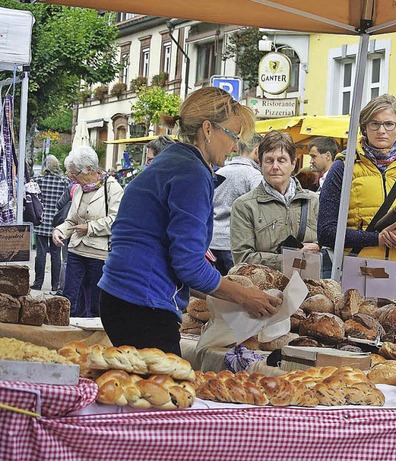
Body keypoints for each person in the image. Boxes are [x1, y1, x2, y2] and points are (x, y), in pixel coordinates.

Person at [98, 87, 281, 356]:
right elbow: (189, 264)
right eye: (233, 136)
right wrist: (245, 296)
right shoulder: (192, 174)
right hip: (143, 304)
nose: (234, 147)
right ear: (208, 129)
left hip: (120, 296)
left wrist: (226, 295)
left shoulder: (170, 160)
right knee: (167, 392)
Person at [317, 94, 396, 277]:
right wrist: (376, 239)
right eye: (374, 123)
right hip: (357, 272)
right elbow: (325, 231)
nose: (381, 130)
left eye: (389, 124)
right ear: (364, 127)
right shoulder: (343, 168)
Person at [231, 130, 319, 270]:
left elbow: (329, 248)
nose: (275, 167)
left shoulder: (313, 201)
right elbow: (242, 258)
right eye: (269, 160)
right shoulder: (244, 206)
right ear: (260, 164)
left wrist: (318, 248)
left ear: (293, 163)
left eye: (282, 160)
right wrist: (289, 259)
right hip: (264, 287)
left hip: (308, 285)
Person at [52, 146, 124, 317]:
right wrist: (59, 230)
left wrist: (90, 228)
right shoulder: (78, 189)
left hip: (99, 254)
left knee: (95, 304)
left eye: (75, 174)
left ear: (90, 169)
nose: (72, 178)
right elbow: (71, 220)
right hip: (76, 249)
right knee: (69, 298)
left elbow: (116, 220)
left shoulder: (112, 188)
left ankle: (93, 341)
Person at [210, 133, 263, 276]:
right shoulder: (253, 175)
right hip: (234, 245)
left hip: (212, 241)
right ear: (257, 150)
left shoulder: (219, 172)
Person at [31, 155, 70, 293]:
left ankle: (38, 282)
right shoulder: (64, 182)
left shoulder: (38, 180)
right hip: (58, 224)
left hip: (41, 221)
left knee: (40, 254)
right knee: (56, 254)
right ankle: (55, 284)